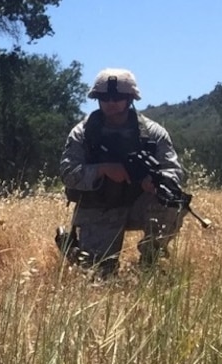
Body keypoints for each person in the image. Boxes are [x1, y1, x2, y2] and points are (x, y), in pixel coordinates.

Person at [57, 68, 184, 276]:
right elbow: (68, 173)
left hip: (138, 204)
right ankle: (71, 248)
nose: (111, 102)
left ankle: (150, 261)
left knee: (174, 201)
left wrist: (155, 183)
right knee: (98, 275)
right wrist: (102, 170)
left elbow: (174, 171)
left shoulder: (152, 134)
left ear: (130, 99)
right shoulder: (82, 133)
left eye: (118, 97)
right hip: (98, 208)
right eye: (105, 97)